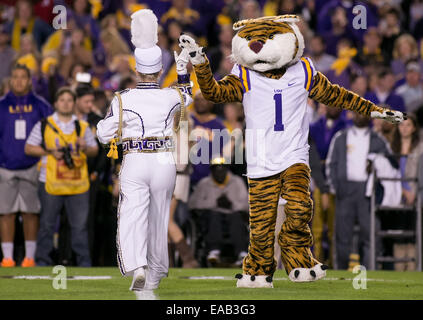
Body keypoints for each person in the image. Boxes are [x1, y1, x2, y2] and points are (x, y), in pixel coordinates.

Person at [96, 9, 192, 298]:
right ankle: (155, 273)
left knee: (132, 215)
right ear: (160, 70)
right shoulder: (170, 95)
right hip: (164, 160)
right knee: (159, 217)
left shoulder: (124, 98)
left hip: (136, 157)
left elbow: (102, 134)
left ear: (136, 70)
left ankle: (137, 266)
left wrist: (110, 127)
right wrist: (184, 70)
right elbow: (188, 95)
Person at [25, 87, 98, 267]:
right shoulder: (44, 124)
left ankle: (84, 264)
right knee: (47, 226)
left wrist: (85, 147)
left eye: (69, 100)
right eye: (62, 100)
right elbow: (28, 148)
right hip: (50, 182)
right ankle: (42, 262)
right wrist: (50, 151)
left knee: (79, 228)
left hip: (78, 184)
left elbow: (94, 150)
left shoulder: (82, 126)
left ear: (74, 104)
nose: (66, 103)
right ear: (56, 103)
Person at [0, 64, 52, 267]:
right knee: (6, 213)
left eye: (23, 77)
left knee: (31, 212)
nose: (19, 81)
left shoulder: (41, 105)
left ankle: (30, 257)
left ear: (30, 80)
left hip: (33, 166)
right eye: (15, 77)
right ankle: (7, 257)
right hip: (5, 166)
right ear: (10, 80)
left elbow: (51, 133)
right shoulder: (2, 105)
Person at [326, 113, 391, 269]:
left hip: (368, 192)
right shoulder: (341, 136)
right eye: (357, 112)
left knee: (370, 234)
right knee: (342, 234)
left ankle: (370, 270)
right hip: (345, 190)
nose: (360, 116)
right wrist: (335, 187)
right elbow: (331, 163)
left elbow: (389, 164)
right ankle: (340, 269)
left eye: (363, 113)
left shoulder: (378, 139)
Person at [188, 157, 249, 266]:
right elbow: (193, 204)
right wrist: (215, 203)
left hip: (233, 214)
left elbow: (246, 204)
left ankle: (241, 252)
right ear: (212, 170)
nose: (219, 172)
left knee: (236, 218)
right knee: (214, 215)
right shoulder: (204, 183)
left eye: (222, 169)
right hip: (211, 217)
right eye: (216, 169)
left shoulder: (237, 182)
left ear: (227, 169)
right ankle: (214, 250)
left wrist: (231, 204)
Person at [389, 114, 423, 270]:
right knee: (397, 233)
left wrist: (413, 192)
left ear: (414, 128)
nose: (404, 128)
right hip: (395, 195)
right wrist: (401, 190)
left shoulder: (420, 147)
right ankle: (398, 268)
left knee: (412, 233)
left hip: (415, 196)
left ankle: (411, 268)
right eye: (402, 125)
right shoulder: (391, 146)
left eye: (408, 125)